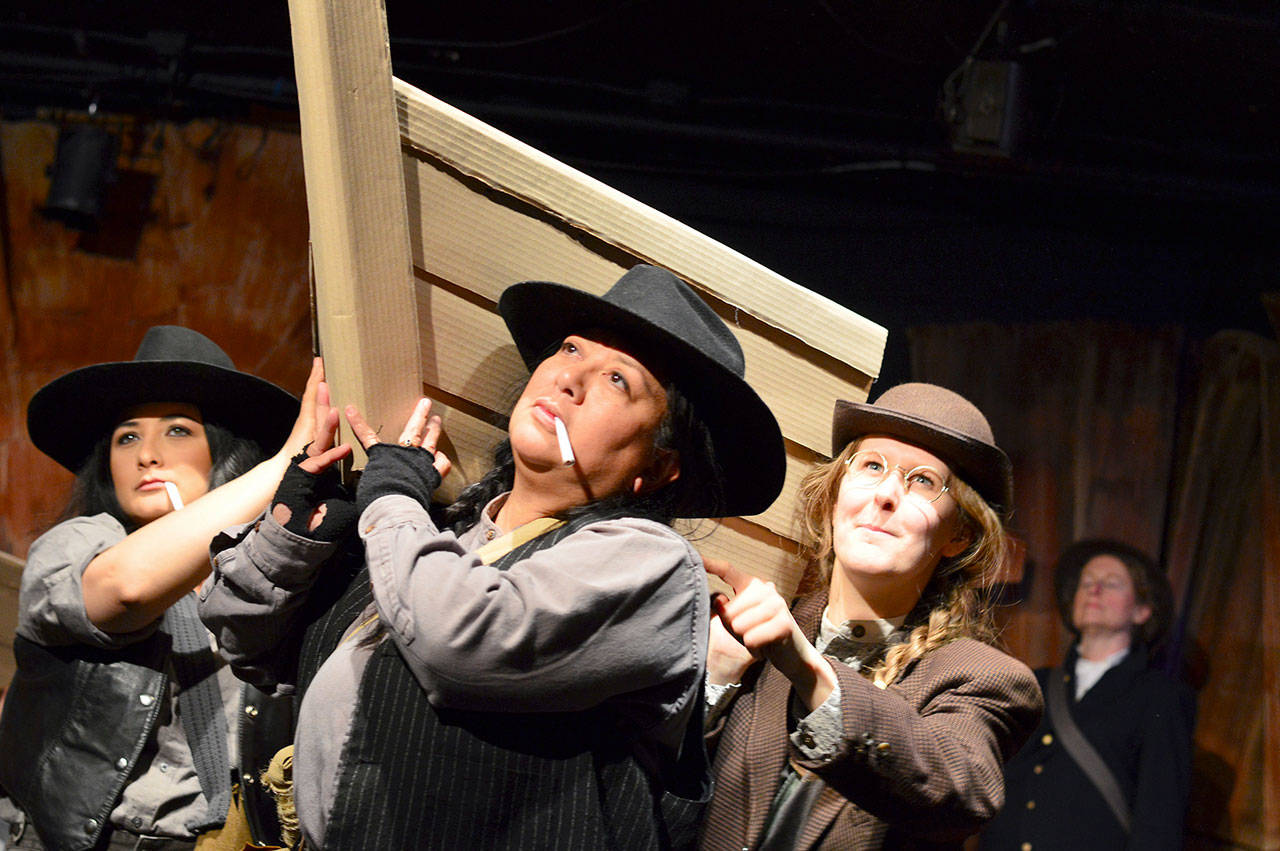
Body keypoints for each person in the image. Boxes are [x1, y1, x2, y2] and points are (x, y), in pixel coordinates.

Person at [198, 264, 788, 849]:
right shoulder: (440, 534)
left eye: (617, 381)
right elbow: (244, 644)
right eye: (570, 349)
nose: (569, 379)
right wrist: (292, 535)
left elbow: (464, 636)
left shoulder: (653, 566)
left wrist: (393, 500)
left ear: (658, 467)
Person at [0, 326, 322, 850]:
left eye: (177, 431)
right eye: (126, 437)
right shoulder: (76, 546)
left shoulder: (275, 566)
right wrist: (285, 463)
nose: (146, 454)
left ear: (225, 453)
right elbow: (127, 586)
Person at [698, 383, 1044, 850]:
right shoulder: (751, 631)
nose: (886, 494)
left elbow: (960, 793)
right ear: (834, 498)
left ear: (958, 535)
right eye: (872, 466)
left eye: (922, 480)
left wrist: (808, 669)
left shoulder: (985, 679)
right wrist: (716, 679)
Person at [978, 540, 1196, 850]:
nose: (1093, 590)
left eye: (1111, 584)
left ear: (1142, 610)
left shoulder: (1161, 698)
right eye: (1087, 582)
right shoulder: (1033, 683)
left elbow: (1159, 820)